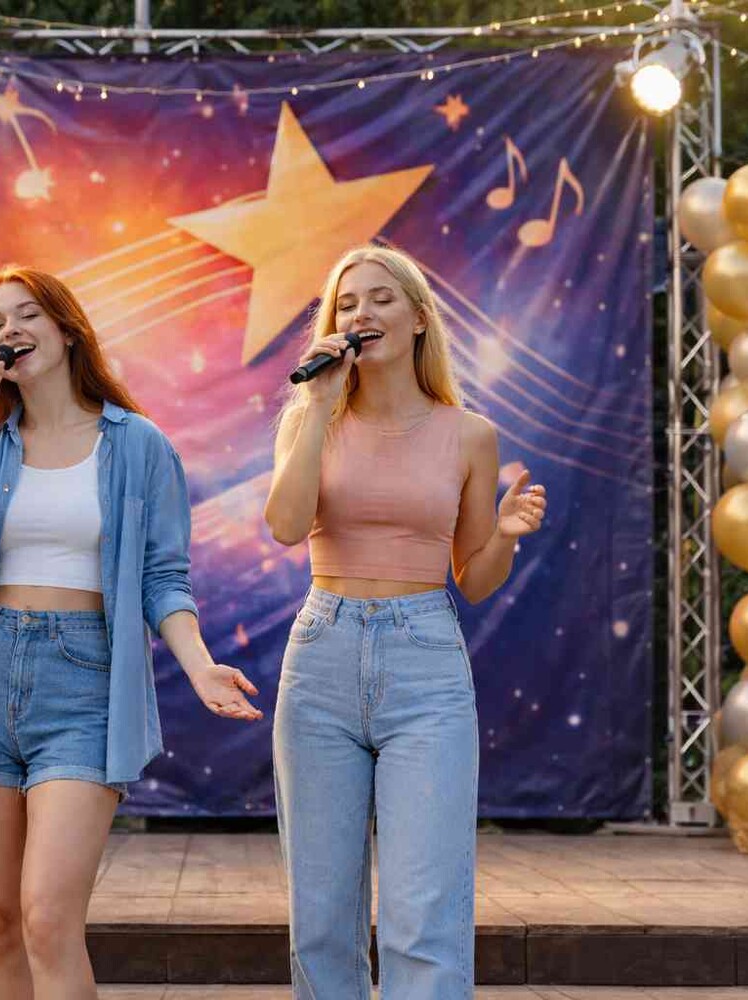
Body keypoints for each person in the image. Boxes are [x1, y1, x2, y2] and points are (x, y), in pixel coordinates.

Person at [0, 264, 262, 1000]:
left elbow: (163, 576)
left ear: (66, 330)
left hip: (83, 680)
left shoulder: (137, 443)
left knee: (47, 918)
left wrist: (198, 665)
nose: (11, 331)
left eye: (27, 314)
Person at [263, 244, 547, 999]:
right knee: (322, 915)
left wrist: (505, 536)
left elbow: (474, 579)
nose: (363, 312)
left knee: (424, 913)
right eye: (347, 302)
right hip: (322, 653)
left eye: (381, 298)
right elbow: (285, 527)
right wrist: (318, 406)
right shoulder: (309, 418)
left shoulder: (469, 434)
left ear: (419, 319)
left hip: (425, 661)